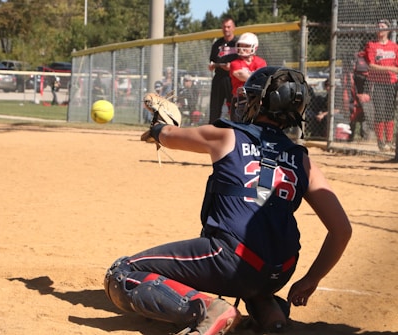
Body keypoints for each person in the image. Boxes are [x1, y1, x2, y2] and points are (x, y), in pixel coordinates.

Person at [104, 67, 352, 335]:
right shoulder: (303, 160)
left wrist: (158, 128)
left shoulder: (227, 135)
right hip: (280, 271)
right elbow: (342, 230)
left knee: (122, 273)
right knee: (254, 277)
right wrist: (311, 279)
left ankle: (208, 309)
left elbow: (169, 136)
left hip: (229, 259)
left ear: (260, 103)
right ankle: (271, 317)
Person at [364, 19, 398, 152]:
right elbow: (371, 66)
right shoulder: (371, 45)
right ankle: (381, 141)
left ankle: (389, 141)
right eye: (378, 26)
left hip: (391, 82)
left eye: (383, 26)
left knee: (389, 112)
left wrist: (391, 69)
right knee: (380, 112)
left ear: (388, 30)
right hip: (377, 82)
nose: (380, 28)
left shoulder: (394, 46)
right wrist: (390, 69)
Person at [208, 16, 239, 124]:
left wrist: (233, 66)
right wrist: (212, 65)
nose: (226, 29)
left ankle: (236, 130)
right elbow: (212, 60)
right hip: (219, 77)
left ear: (233, 28)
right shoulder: (217, 44)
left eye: (228, 27)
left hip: (233, 79)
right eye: (224, 27)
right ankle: (212, 130)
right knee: (215, 107)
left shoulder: (238, 43)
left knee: (234, 107)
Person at [229, 32, 267, 121]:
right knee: (238, 128)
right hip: (240, 99)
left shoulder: (260, 62)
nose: (242, 49)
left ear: (254, 47)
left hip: (256, 99)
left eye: (246, 46)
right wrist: (256, 76)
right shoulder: (234, 63)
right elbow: (241, 75)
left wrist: (255, 77)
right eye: (241, 45)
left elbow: (262, 79)